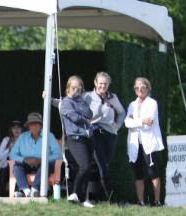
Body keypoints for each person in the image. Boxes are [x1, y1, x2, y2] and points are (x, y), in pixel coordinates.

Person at [86, 71, 125, 202]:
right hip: (95, 131)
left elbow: (122, 112)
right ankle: (112, 199)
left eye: (105, 83)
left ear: (108, 85)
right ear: (95, 83)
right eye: (100, 83)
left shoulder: (113, 97)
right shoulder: (88, 96)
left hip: (110, 135)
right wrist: (51, 100)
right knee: (102, 165)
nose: (103, 86)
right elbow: (70, 103)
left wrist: (117, 126)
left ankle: (95, 197)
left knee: (103, 165)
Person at [125, 77, 164, 206]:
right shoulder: (132, 105)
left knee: (153, 172)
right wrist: (141, 120)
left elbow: (149, 123)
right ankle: (140, 201)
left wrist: (135, 121)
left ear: (148, 88)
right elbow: (127, 123)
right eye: (137, 88)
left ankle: (157, 201)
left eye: (143, 87)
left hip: (149, 143)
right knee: (138, 173)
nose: (140, 90)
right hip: (136, 143)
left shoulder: (152, 103)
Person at [59, 75, 95, 206]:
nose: (76, 91)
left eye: (79, 89)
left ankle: (84, 199)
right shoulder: (66, 102)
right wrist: (85, 119)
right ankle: (74, 193)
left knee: (87, 168)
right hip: (74, 138)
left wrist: (80, 101)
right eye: (74, 88)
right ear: (68, 89)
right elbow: (74, 117)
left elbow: (90, 114)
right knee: (84, 166)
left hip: (87, 137)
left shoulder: (81, 101)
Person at [9, 112, 63, 198]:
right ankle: (26, 191)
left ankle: (34, 189)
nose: (34, 126)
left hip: (43, 162)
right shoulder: (23, 137)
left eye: (36, 124)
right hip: (26, 162)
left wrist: (42, 160)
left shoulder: (49, 136)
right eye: (31, 124)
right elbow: (12, 154)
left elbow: (58, 154)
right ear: (28, 126)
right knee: (17, 166)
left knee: (45, 166)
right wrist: (24, 160)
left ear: (41, 125)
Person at [0, 119, 23, 195]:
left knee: (16, 167)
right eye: (14, 128)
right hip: (4, 167)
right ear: (11, 130)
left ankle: (17, 193)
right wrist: (8, 149)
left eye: (18, 127)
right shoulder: (6, 140)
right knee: (6, 166)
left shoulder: (25, 141)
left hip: (19, 166)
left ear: (22, 129)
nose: (16, 130)